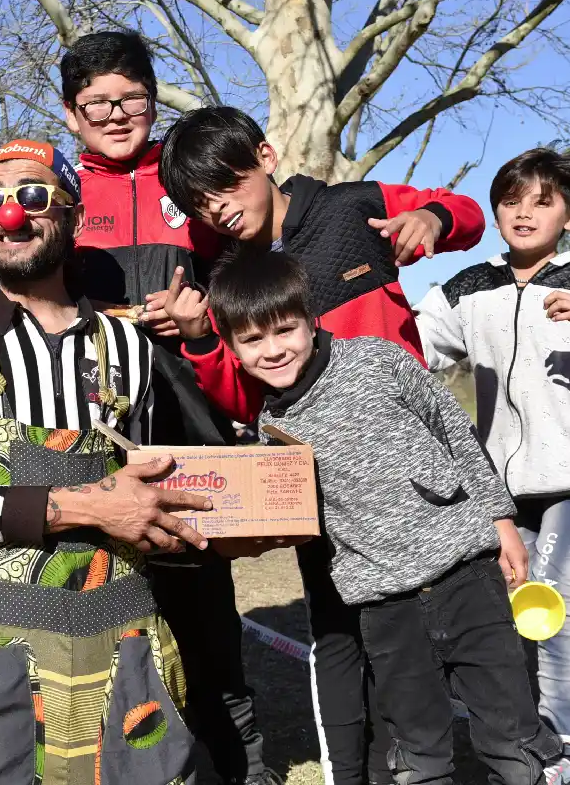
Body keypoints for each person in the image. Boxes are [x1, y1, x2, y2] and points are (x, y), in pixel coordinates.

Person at [159, 105, 486, 785]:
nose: (218, 209)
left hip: (417, 484)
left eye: (226, 184)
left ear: (266, 158)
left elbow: (468, 214)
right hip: (322, 493)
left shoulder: (354, 206)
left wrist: (434, 218)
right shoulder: (229, 277)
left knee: (448, 630)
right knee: (339, 638)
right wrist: (201, 341)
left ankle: (469, 754)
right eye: (199, 203)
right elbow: (244, 400)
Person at [0, 138, 214, 785]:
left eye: (33, 195)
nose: (10, 214)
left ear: (74, 213)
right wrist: (86, 506)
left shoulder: (125, 344)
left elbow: (145, 491)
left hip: (123, 649)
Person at [188, 248, 564, 784]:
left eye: (285, 330)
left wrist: (502, 520)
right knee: (418, 749)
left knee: (511, 734)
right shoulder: (273, 430)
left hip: (467, 577)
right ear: (231, 346)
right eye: (252, 340)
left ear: (310, 317)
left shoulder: (378, 360)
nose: (273, 350)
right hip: (384, 608)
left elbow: (455, 432)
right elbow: (295, 524)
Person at [413, 147, 570, 785]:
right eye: (510, 201)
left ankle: (562, 756)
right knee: (514, 606)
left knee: (550, 592)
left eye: (541, 202)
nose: (524, 213)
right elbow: (409, 348)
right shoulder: (468, 288)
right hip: (502, 487)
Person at [62, 32, 271, 785]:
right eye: (98, 103)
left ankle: (243, 767)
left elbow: (252, 286)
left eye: (133, 98)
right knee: (98, 613)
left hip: (191, 424)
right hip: (90, 429)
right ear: (72, 113)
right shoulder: (57, 190)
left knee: (206, 618)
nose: (117, 115)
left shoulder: (190, 179)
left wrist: (202, 316)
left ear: (154, 101)